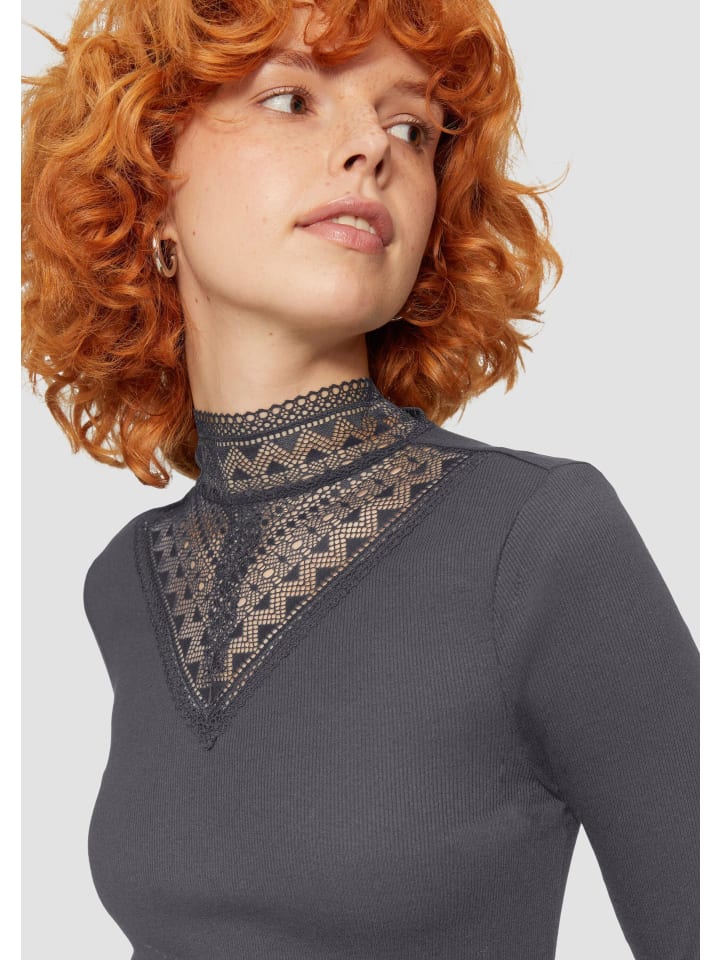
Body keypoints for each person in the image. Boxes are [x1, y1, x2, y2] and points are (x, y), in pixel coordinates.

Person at [21, 0, 699, 958]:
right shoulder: (126, 581)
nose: (371, 149)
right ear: (150, 186)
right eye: (291, 99)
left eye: (411, 127)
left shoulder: (538, 542)